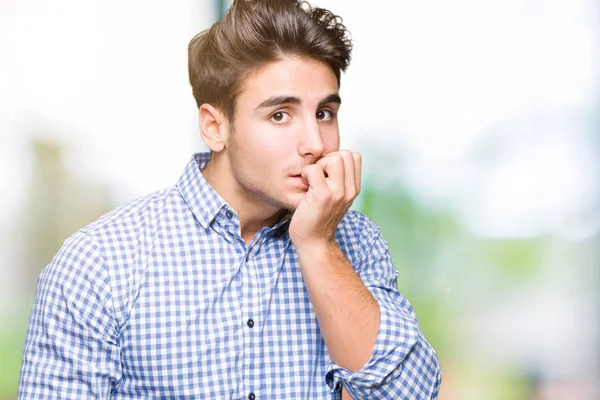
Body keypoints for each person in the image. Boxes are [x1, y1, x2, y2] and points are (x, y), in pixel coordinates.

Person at [18, 0, 441, 398]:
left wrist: (318, 245)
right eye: (280, 115)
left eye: (324, 113)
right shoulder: (98, 263)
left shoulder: (353, 241)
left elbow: (409, 393)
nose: (315, 143)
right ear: (214, 127)